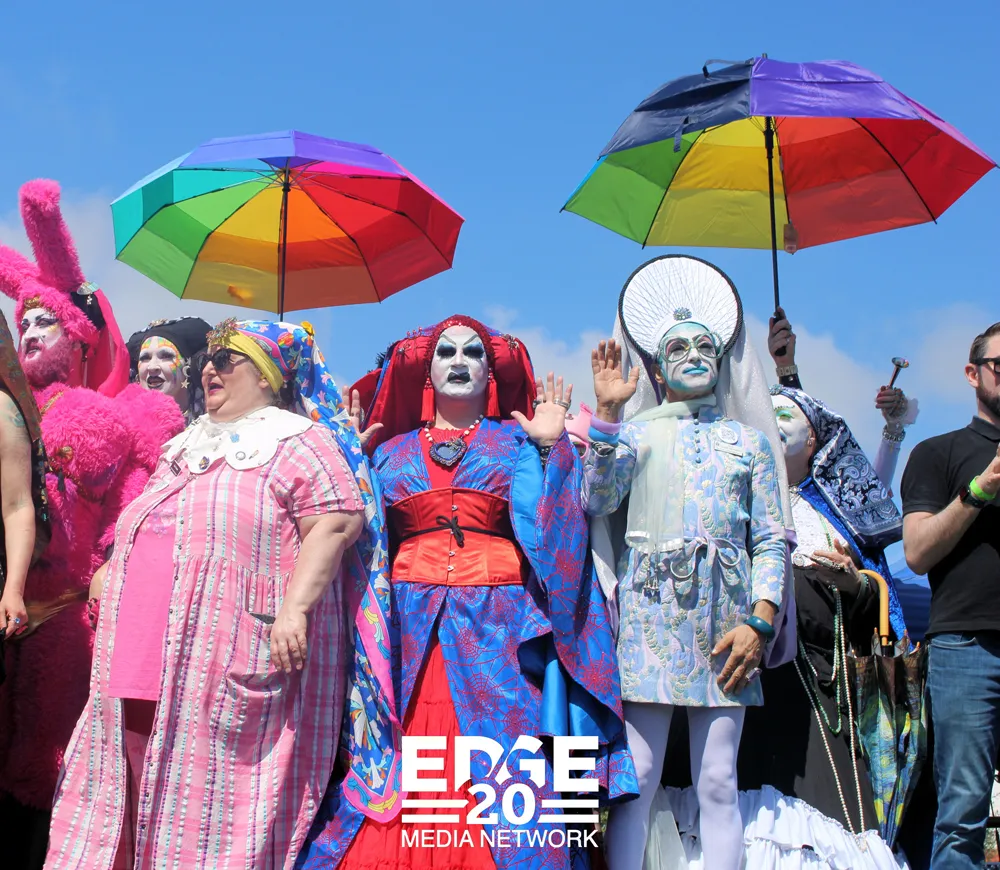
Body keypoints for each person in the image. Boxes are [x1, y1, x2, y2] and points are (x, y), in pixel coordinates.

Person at [45, 319, 399, 870]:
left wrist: (295, 609)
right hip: (141, 651)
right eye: (207, 360)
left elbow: (334, 523)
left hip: (229, 658)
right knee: (127, 787)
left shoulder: (301, 441)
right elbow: (152, 518)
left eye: (228, 359)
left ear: (267, 376)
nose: (209, 368)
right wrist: (113, 565)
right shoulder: (184, 445)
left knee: (201, 805)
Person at [300, 314, 635, 870]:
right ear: (427, 373)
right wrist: (348, 464)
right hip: (407, 626)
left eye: (473, 352)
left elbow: (562, 532)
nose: (460, 361)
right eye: (447, 352)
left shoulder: (519, 440)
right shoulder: (388, 452)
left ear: (491, 373)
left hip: (502, 627)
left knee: (510, 759)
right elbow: (356, 541)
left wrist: (550, 451)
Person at [581, 256, 793, 870]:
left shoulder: (750, 442)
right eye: (679, 347)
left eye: (706, 346)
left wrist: (760, 621)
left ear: (723, 360)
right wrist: (608, 418)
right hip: (649, 619)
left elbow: (770, 539)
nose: (695, 356)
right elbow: (597, 500)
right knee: (639, 775)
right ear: (656, 367)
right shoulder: (636, 434)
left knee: (719, 779)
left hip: (729, 625)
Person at [0, 179, 183, 870]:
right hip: (10, 602)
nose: (31, 333)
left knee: (48, 763)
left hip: (68, 615)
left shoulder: (116, 414)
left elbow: (134, 507)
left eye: (45, 323)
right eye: (24, 324)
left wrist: (109, 566)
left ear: (79, 336)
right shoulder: (9, 404)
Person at [901, 321, 1000, 870]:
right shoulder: (937, 453)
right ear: (972, 373)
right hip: (966, 647)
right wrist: (979, 490)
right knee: (962, 813)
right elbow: (916, 552)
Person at [126, 316, 212, 424]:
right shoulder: (126, 424)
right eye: (145, 358)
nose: (152, 367)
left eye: (166, 356)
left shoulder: (214, 424)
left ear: (188, 367)